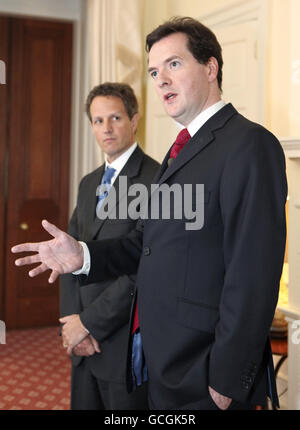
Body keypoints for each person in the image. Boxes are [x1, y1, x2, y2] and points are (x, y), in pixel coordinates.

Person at [12, 17, 287, 411]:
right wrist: (84, 256)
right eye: (154, 71)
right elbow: (147, 244)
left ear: (210, 67)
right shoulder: (180, 151)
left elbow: (254, 273)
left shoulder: (249, 144)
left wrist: (228, 377)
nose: (160, 80)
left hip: (206, 372)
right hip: (161, 361)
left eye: (173, 65)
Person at [59, 82, 159, 409]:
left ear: (134, 120)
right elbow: (68, 256)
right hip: (81, 345)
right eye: (98, 121)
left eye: (115, 118)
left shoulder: (157, 180)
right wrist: (72, 321)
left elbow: (143, 267)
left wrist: (90, 324)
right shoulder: (89, 183)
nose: (107, 128)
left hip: (122, 345)